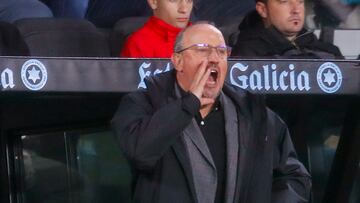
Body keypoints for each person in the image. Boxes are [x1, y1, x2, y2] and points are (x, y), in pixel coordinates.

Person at [112, 23, 311, 202]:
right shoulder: (145, 102)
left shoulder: (252, 113)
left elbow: (294, 175)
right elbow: (140, 152)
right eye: (203, 50)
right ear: (177, 61)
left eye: (221, 52)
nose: (214, 59)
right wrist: (188, 104)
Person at [231, 0, 343, 59]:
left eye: (300, 1)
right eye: (284, 1)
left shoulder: (328, 51)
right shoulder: (247, 54)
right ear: (263, 10)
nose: (296, 10)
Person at [120, 0, 193, 58]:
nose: (184, 9)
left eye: (189, 0)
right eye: (173, 0)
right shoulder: (139, 43)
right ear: (153, 2)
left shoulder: (201, 36)